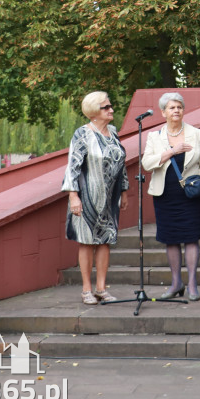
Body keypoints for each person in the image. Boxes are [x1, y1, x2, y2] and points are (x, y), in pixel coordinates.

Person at [142, 92, 200, 301]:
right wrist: (171, 151)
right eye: (172, 108)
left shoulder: (196, 134)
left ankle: (192, 284)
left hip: (191, 194)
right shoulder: (154, 137)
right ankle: (176, 283)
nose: (176, 111)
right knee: (170, 239)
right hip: (165, 195)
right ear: (163, 112)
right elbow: (147, 164)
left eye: (179, 107)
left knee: (191, 237)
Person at [62, 91, 129, 305]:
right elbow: (72, 167)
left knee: (105, 241)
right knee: (86, 241)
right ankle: (86, 290)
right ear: (93, 113)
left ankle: (101, 288)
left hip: (109, 198)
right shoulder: (82, 134)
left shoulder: (113, 133)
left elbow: (122, 164)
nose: (111, 110)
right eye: (105, 107)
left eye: (110, 106)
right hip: (87, 197)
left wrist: (124, 190)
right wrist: (73, 196)